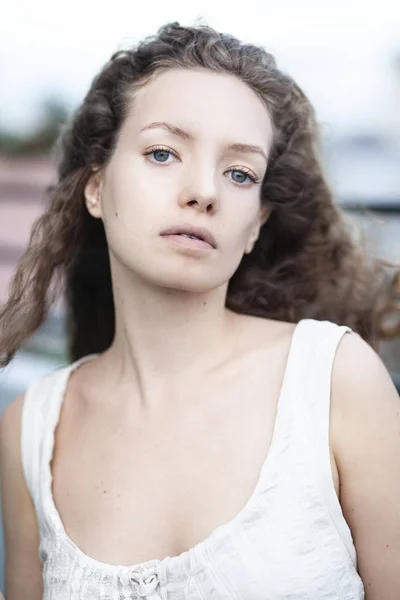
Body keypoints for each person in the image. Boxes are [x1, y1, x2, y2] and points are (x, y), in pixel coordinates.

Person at [0, 21, 399, 600]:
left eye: (240, 173)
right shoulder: (31, 430)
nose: (205, 190)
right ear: (94, 188)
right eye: (162, 153)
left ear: (254, 226)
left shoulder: (335, 380)